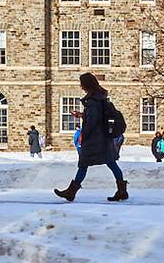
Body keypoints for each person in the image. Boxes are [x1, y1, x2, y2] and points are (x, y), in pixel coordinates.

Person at [55, 72, 128, 202]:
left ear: (87, 85)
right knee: (111, 163)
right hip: (103, 139)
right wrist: (82, 115)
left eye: (82, 83)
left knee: (84, 164)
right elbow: (97, 116)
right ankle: (122, 190)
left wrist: (85, 134)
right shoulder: (99, 98)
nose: (81, 86)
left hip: (95, 140)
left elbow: (93, 120)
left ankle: (71, 192)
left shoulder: (93, 100)